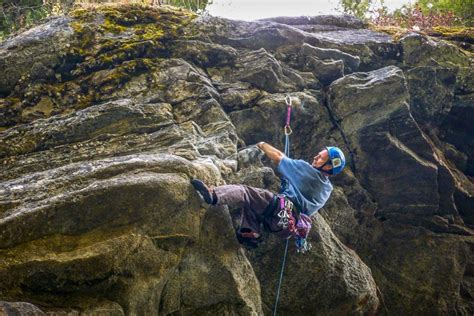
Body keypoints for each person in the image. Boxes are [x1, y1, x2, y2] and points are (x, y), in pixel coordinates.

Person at [191, 142, 346, 248]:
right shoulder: (327, 190)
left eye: (320, 158)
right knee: (255, 204)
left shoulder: (307, 171)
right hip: (285, 228)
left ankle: (213, 194)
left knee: (246, 192)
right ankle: (250, 233)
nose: (315, 157)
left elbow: (279, 156)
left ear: (329, 166)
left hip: (282, 209)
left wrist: (262, 144)